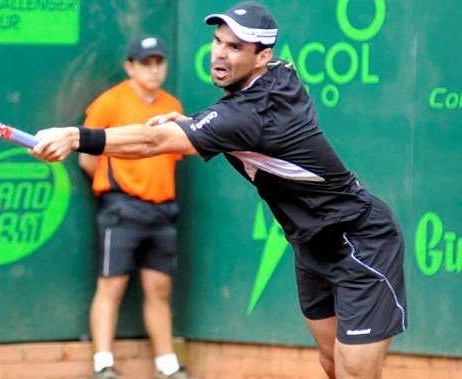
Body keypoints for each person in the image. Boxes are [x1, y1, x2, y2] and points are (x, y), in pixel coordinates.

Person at [30, 2, 407, 378]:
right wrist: (193, 123)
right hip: (310, 243)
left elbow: (152, 142)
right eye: (217, 41)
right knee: (330, 361)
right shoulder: (279, 75)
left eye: (235, 48)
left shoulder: (250, 113)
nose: (219, 54)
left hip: (359, 238)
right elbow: (231, 123)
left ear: (262, 57)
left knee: (354, 370)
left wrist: (75, 135)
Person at [79, 34, 193, 379]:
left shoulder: (172, 105)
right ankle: (103, 364)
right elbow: (87, 159)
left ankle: (167, 366)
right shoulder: (110, 103)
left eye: (159, 62)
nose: (153, 69)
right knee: (110, 285)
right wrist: (117, 188)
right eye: (146, 63)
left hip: (162, 212)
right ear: (130, 67)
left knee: (159, 289)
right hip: (121, 209)